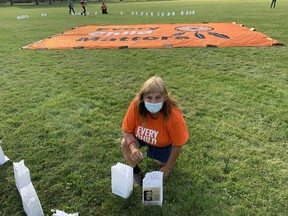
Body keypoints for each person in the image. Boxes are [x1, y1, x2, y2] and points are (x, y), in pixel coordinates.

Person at [121, 76, 189, 186]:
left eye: (158, 97)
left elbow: (178, 144)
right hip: (141, 136)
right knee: (125, 144)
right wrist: (133, 148)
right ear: (143, 98)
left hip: (162, 143)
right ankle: (136, 171)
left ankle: (159, 157)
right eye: (149, 98)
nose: (153, 102)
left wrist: (167, 167)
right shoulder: (136, 105)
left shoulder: (174, 115)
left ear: (165, 98)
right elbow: (126, 130)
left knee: (162, 163)